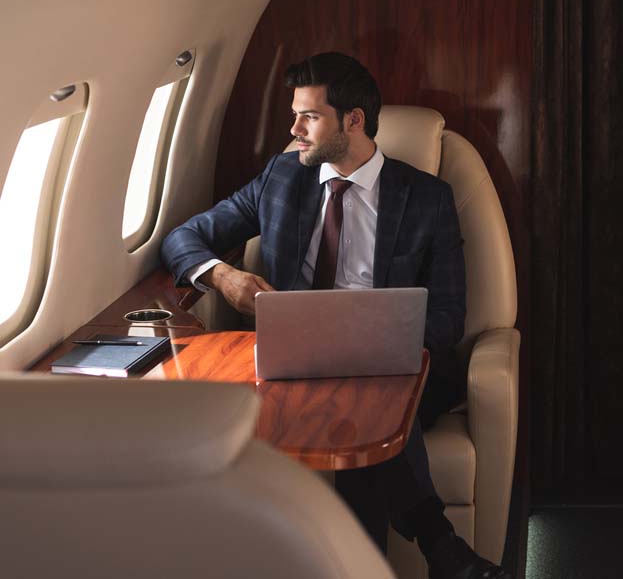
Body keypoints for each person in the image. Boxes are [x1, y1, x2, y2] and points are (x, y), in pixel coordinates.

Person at [161, 52, 509, 579]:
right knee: (353, 430)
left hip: (389, 372)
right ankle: (443, 551)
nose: (293, 129)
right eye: (295, 114)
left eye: (309, 117)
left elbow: (448, 316)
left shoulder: (426, 199)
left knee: (367, 419)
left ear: (353, 121)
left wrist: (379, 338)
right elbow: (184, 237)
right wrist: (223, 277)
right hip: (290, 371)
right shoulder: (281, 178)